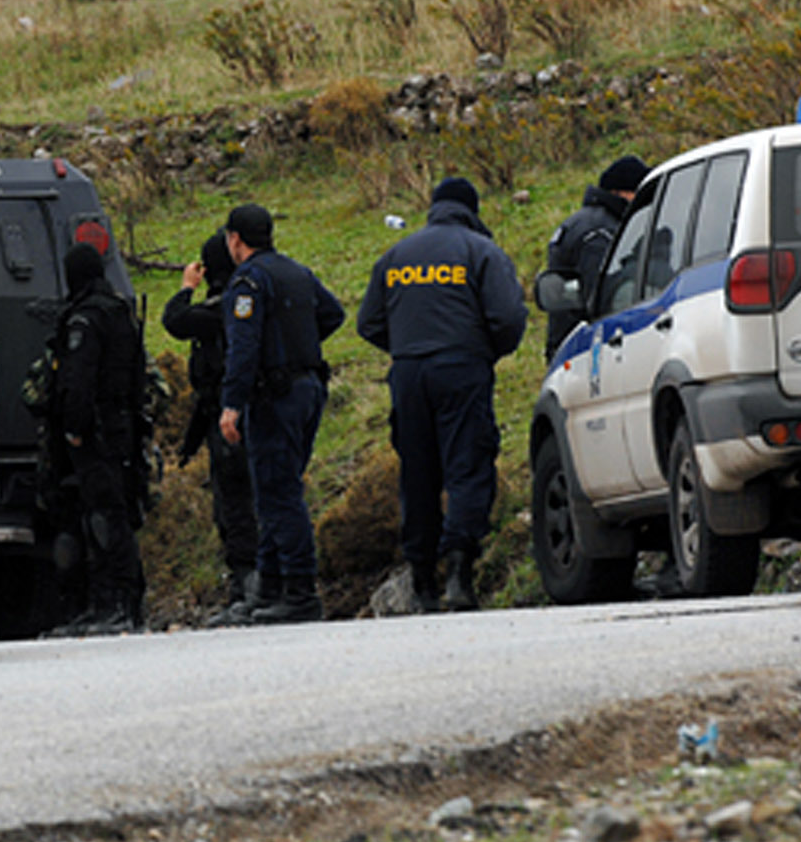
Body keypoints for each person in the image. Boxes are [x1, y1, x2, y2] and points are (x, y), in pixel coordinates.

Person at [358, 177, 527, 613]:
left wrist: (407, 348)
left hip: (409, 373)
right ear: (472, 209)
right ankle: (458, 574)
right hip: (461, 368)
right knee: (467, 464)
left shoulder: (396, 255)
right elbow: (508, 317)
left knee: (418, 471)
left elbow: (368, 322)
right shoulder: (480, 251)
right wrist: (485, 351)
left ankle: (421, 580)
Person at [217, 203, 345, 625]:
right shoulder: (297, 272)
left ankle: (300, 589)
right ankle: (268, 588)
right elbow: (332, 313)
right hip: (308, 388)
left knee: (278, 492)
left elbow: (243, 347)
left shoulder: (248, 281)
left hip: (273, 396)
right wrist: (299, 346)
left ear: (236, 239)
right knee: (275, 487)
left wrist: (232, 403)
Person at [47, 241, 149, 636]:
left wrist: (74, 428)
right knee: (116, 512)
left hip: (97, 433)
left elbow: (78, 379)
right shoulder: (121, 312)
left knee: (105, 517)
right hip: (123, 426)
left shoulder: (85, 319)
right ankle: (122, 602)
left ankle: (114, 604)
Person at [162, 229, 259, 625]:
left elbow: (175, 320)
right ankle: (257, 586)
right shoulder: (250, 296)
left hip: (231, 416)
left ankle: (247, 588)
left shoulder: (221, 307)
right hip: (249, 411)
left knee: (234, 503)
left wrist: (187, 286)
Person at [542, 154, 648, 358]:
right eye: (637, 192)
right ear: (619, 192)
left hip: (565, 339)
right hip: (585, 348)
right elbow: (600, 294)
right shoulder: (599, 232)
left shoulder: (578, 223)